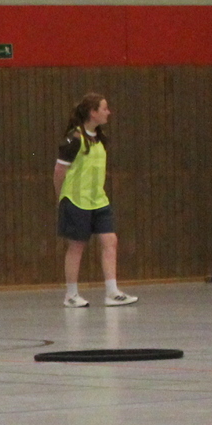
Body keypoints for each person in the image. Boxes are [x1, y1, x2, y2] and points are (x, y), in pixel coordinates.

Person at [53, 93, 136, 307]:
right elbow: (59, 171)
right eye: (104, 108)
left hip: (98, 200)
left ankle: (112, 291)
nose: (109, 112)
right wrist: (61, 197)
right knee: (77, 246)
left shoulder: (100, 138)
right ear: (93, 112)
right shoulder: (74, 139)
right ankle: (71, 295)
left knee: (110, 241)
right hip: (76, 199)